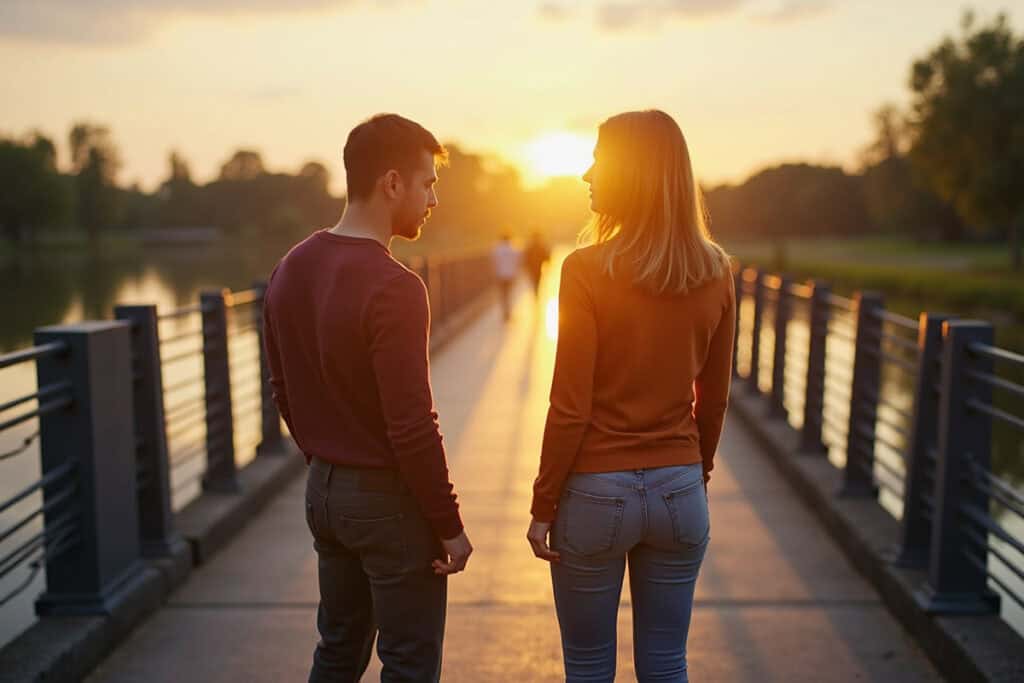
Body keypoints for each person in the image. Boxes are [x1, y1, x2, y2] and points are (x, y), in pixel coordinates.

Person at [526, 110, 735, 682]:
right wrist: (695, 472)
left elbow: (570, 406)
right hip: (679, 487)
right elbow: (712, 400)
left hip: (594, 493)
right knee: (667, 665)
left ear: (632, 174)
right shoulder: (716, 272)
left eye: (598, 158)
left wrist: (545, 503)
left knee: (590, 668)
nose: (586, 172)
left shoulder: (586, 270)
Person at [262, 113, 473, 683]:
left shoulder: (290, 268)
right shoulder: (396, 287)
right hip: (387, 502)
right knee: (408, 663)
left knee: (337, 651)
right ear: (391, 183)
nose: (433, 200)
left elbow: (282, 387)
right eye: (428, 183)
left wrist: (326, 465)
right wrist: (448, 523)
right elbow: (411, 425)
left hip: (325, 493)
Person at [491, 232, 520, 321]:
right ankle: (509, 312)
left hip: (500, 275)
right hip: (511, 274)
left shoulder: (497, 249)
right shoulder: (513, 249)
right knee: (510, 294)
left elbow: (493, 262)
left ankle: (505, 312)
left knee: (503, 294)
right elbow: (517, 262)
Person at [523, 230, 552, 297]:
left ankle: (536, 293)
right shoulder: (541, 246)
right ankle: (536, 294)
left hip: (533, 268)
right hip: (538, 267)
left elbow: (526, 258)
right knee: (537, 281)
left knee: (535, 281)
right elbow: (547, 257)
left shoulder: (530, 246)